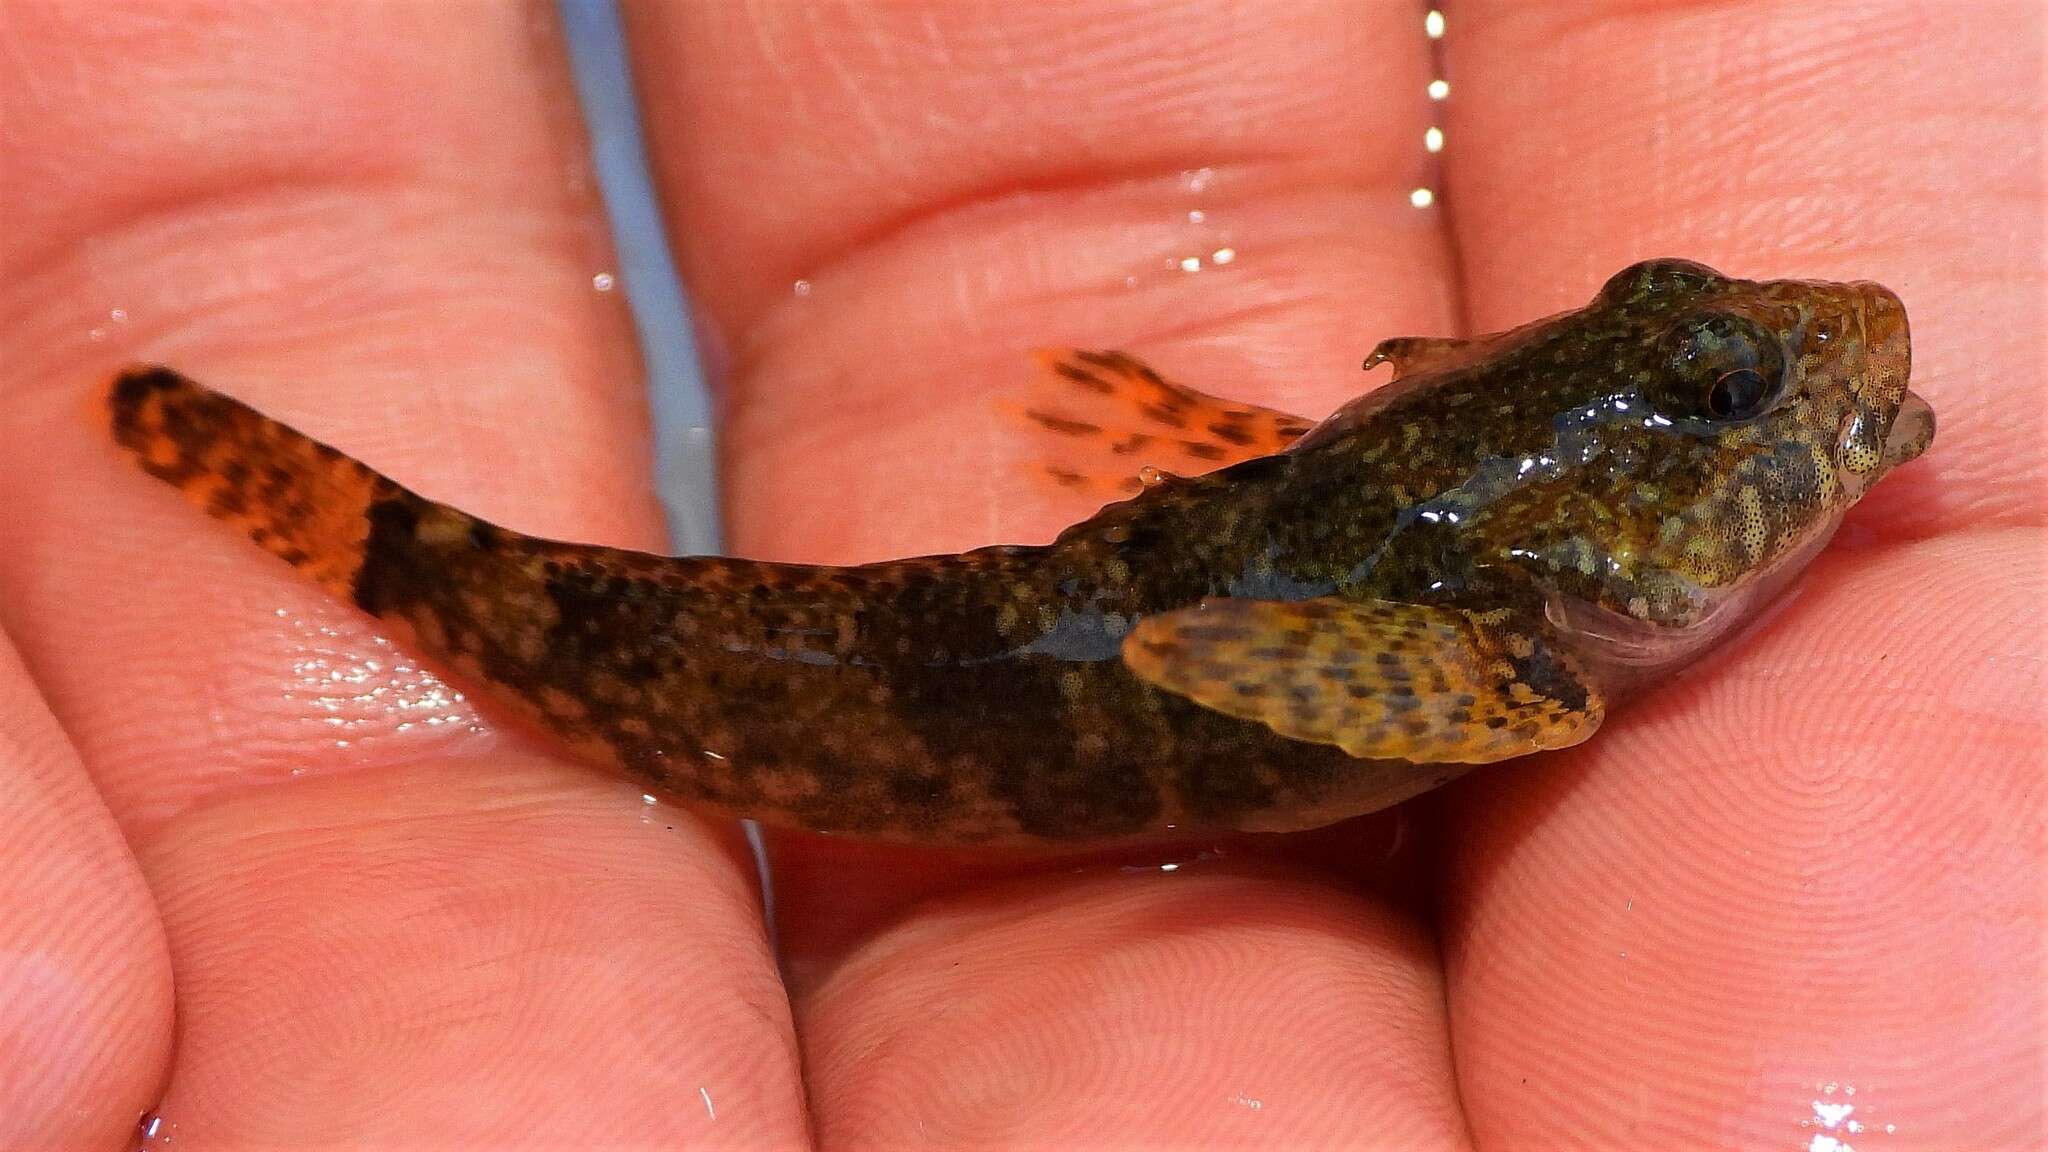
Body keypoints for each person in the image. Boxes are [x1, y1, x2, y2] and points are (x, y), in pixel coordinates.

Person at [2, 4, 2039, 1148]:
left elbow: (1234, 593)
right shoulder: (1508, 663)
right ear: (1581, 563)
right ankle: (377, 552)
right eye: (1713, 376)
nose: (1828, 369)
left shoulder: (1482, 599)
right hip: (969, 649)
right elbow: (1229, 629)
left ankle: (383, 546)